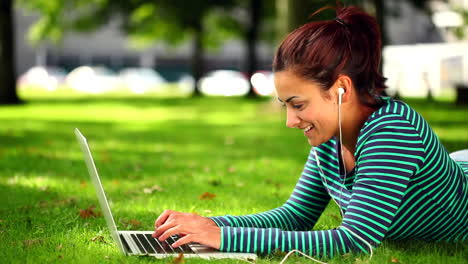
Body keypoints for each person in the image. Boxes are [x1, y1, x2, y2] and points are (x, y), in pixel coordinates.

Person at [152, 3, 468, 259]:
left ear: (341, 88)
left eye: (298, 104)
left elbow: (355, 239)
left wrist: (223, 237)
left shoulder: (392, 131)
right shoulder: (331, 136)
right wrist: (209, 225)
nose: (291, 121)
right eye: (286, 105)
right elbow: (295, 217)